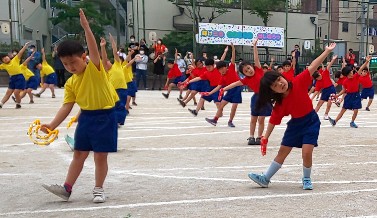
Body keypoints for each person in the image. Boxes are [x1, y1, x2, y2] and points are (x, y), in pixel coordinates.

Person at [41, 9, 119, 203]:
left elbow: (93, 49)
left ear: (83, 57)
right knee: (79, 154)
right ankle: (66, 188)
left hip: (105, 117)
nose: (70, 67)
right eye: (65, 64)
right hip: (85, 118)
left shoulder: (95, 69)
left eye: (73, 62)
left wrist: (86, 27)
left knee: (100, 157)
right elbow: (66, 107)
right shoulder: (70, 83)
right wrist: (52, 125)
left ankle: (99, 189)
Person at [247, 43, 336, 190]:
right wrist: (265, 137)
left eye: (279, 80)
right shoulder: (280, 104)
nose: (280, 84)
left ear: (282, 76)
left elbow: (313, 65)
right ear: (273, 92)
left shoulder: (298, 81)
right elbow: (273, 121)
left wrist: (326, 52)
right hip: (295, 125)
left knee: (307, 152)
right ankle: (265, 178)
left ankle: (306, 178)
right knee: (282, 152)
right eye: (275, 86)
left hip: (311, 122)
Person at [203, 43, 241, 127]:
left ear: (226, 67)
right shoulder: (222, 77)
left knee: (234, 106)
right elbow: (218, 86)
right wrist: (210, 93)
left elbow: (233, 59)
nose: (222, 70)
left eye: (223, 68)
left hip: (237, 88)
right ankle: (215, 120)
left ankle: (230, 121)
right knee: (221, 105)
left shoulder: (231, 69)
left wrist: (233, 49)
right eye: (219, 70)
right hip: (230, 90)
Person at [328, 59, 366, 128]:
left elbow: (361, 68)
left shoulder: (356, 76)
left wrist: (367, 61)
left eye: (352, 72)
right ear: (347, 75)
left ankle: (352, 122)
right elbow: (344, 90)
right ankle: (335, 121)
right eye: (351, 73)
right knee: (343, 109)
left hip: (356, 95)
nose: (352, 73)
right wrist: (337, 95)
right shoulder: (345, 81)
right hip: (349, 96)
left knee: (356, 110)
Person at [100, 34, 128, 127]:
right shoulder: (106, 71)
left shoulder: (117, 64)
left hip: (122, 89)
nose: (106, 62)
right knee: (113, 107)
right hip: (113, 91)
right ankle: (114, 121)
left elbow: (115, 51)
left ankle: (118, 121)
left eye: (108, 61)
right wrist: (103, 47)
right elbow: (103, 58)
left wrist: (112, 41)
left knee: (121, 106)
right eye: (105, 62)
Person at [0, 41, 30, 109]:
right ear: (2, 61)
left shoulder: (15, 60)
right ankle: (1, 104)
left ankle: (18, 103)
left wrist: (25, 46)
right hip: (12, 78)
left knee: (16, 92)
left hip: (19, 77)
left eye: (6, 57)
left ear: (8, 56)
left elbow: (20, 53)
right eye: (3, 59)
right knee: (8, 93)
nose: (5, 58)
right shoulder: (3, 65)